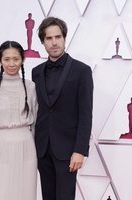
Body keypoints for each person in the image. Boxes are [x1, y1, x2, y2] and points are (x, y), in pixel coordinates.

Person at [32, 17, 93, 200]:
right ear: (43, 42)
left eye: (58, 37)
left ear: (64, 38)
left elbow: (86, 114)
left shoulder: (82, 71)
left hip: (68, 150)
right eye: (49, 38)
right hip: (42, 148)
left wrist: (80, 150)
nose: (54, 42)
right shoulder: (36, 71)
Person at [0, 41, 38, 200]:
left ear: (23, 60)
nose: (11, 64)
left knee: (26, 193)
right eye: (6, 59)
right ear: (0, 60)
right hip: (1, 147)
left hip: (27, 147)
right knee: (2, 194)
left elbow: (36, 123)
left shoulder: (31, 86)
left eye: (16, 59)